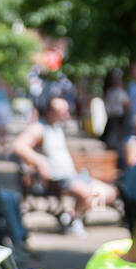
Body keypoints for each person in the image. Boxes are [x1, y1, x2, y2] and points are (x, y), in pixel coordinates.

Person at [13, 97, 118, 232]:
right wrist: (40, 162)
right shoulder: (39, 128)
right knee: (87, 194)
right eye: (62, 112)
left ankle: (71, 216)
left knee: (109, 192)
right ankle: (73, 220)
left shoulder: (57, 128)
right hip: (58, 178)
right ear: (50, 112)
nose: (67, 115)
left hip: (73, 175)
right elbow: (19, 146)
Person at [101, 68, 130, 155]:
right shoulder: (119, 91)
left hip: (112, 118)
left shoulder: (109, 91)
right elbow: (126, 105)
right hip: (117, 118)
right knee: (116, 140)